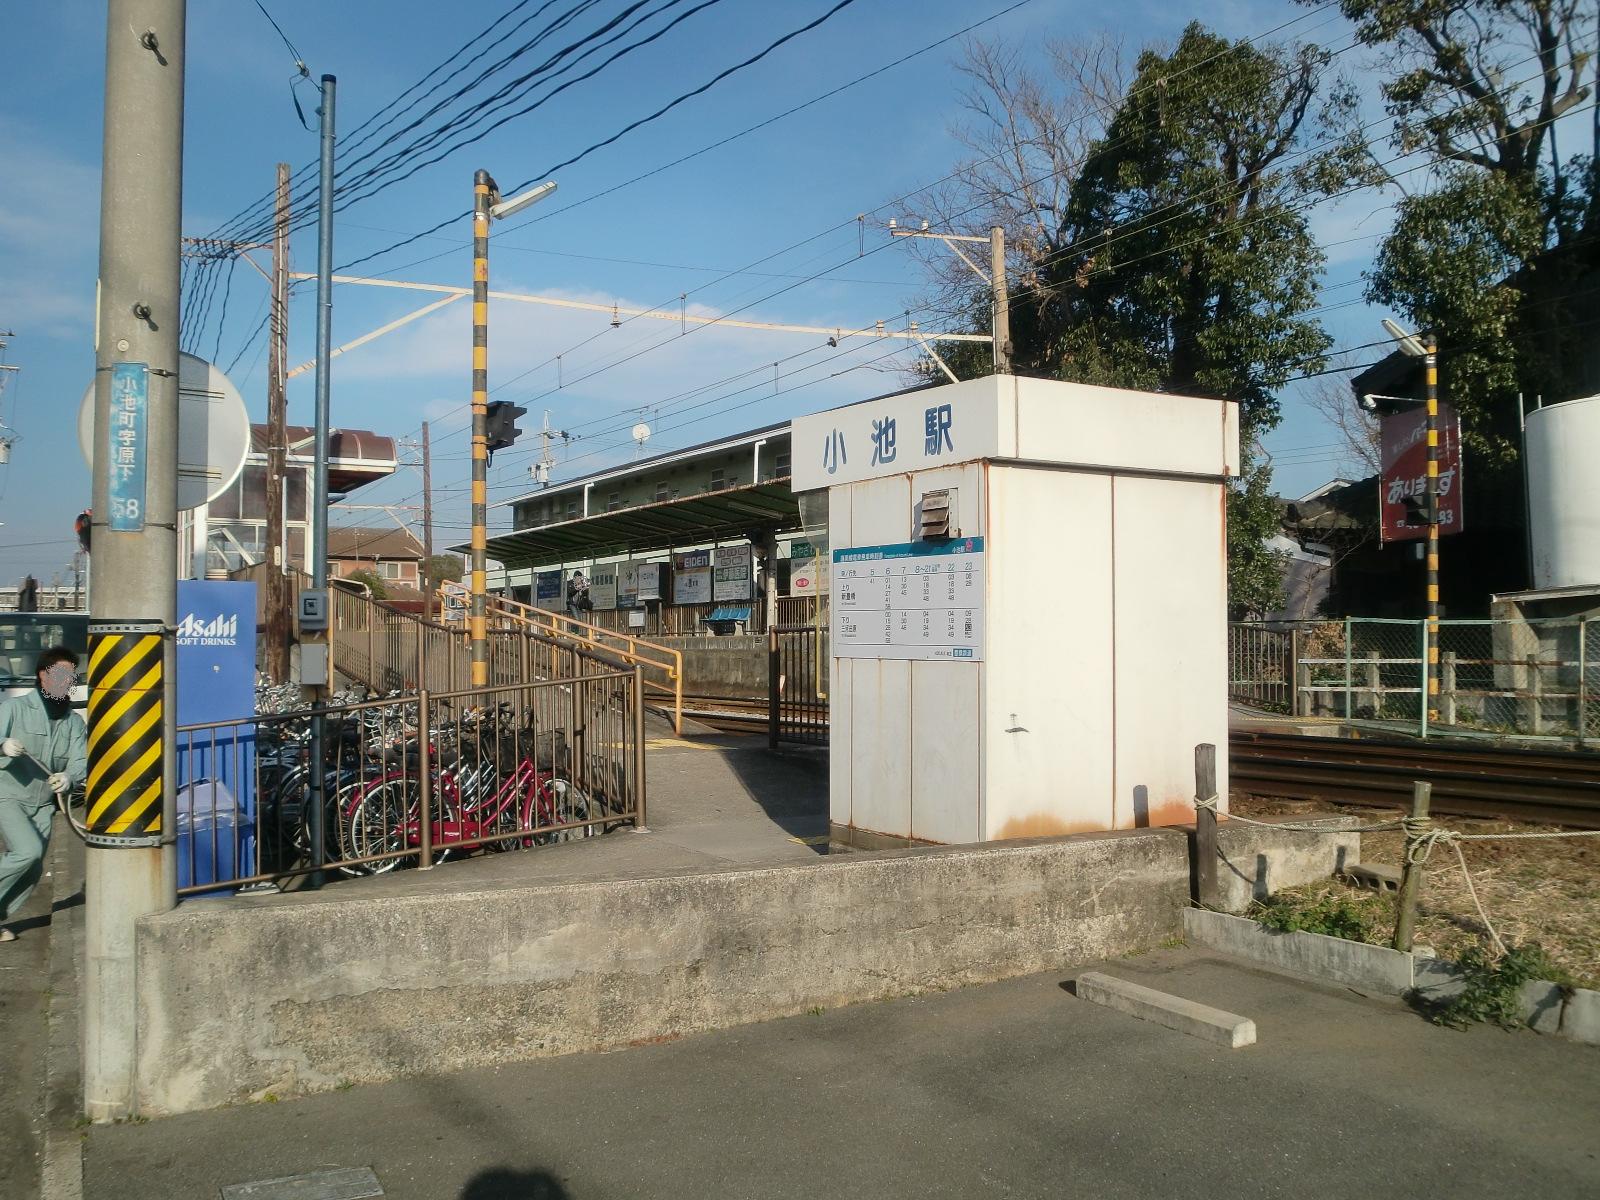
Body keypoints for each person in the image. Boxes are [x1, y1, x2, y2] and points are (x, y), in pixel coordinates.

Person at [0, 646, 86, 941]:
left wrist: (69, 777)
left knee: (33, 869)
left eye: (71, 676)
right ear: (42, 676)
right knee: (28, 851)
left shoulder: (74, 722)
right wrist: (3, 746)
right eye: (60, 675)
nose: (67, 682)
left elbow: (79, 761)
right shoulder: (14, 709)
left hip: (43, 804)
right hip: (8, 794)